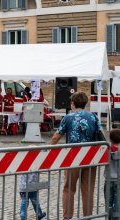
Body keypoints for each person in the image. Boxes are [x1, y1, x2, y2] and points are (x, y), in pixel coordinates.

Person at [51, 91, 102, 219]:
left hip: (73, 157)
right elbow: (101, 135)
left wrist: (49, 150)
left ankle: (67, 217)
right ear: (85, 103)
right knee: (88, 190)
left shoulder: (68, 117)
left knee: (69, 189)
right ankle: (87, 216)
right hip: (91, 157)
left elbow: (56, 136)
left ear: (73, 103)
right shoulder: (93, 117)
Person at [105, 129, 120, 220]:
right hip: (118, 180)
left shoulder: (106, 150)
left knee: (108, 203)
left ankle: (108, 217)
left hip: (108, 180)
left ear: (110, 139)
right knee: (117, 203)